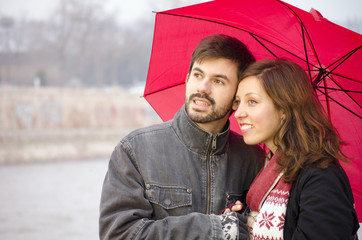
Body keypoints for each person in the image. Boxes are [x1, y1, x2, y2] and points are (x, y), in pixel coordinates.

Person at [99, 34, 265, 239]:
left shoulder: (254, 159)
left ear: (236, 99)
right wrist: (214, 228)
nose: (202, 88)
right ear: (187, 79)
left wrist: (244, 223)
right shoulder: (135, 150)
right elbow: (118, 234)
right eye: (198, 75)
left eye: (218, 81)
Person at [230, 59, 359, 239]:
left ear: (284, 108)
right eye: (238, 102)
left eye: (252, 101)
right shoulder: (270, 168)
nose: (239, 113)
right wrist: (241, 217)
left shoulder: (322, 178)